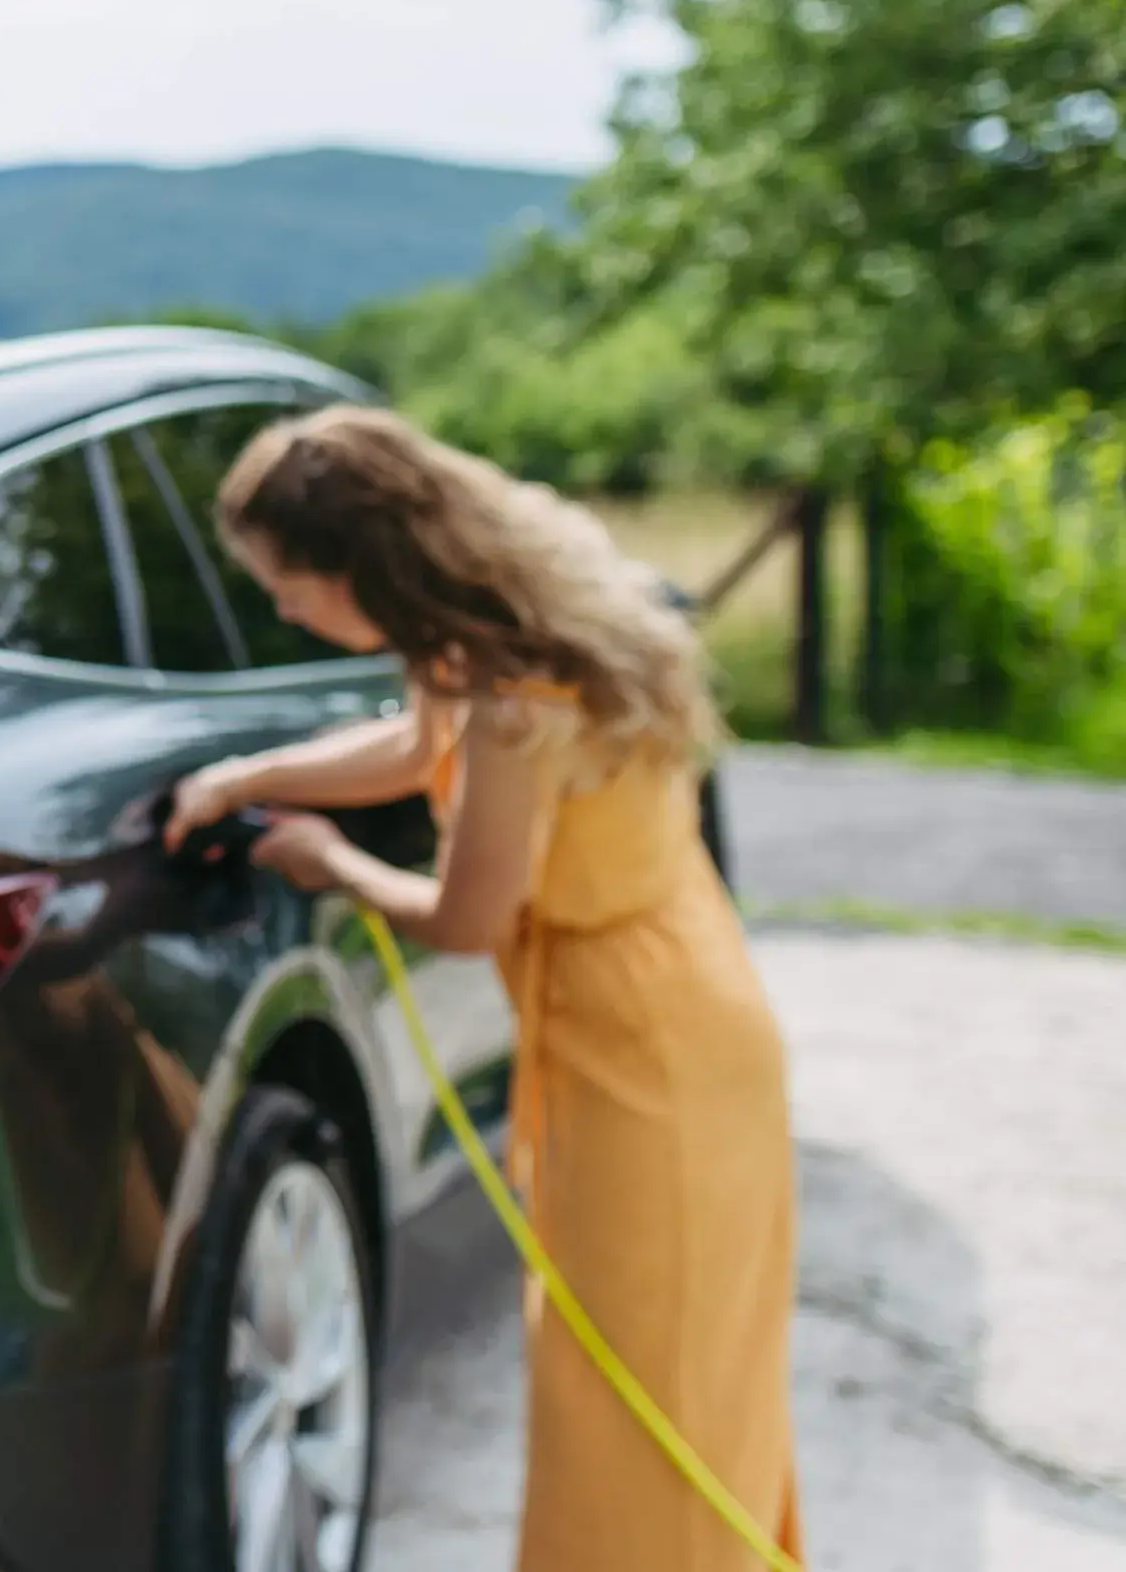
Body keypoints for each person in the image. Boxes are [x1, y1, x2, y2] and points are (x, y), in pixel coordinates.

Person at [164, 405, 803, 1572]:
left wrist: (331, 865)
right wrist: (247, 776)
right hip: (673, 1002)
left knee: (645, 1386)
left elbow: (470, 920)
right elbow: (415, 753)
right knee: (653, 1369)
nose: (284, 613)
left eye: (290, 586)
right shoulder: (479, 637)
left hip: (647, 1055)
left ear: (363, 568)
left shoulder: (512, 696)